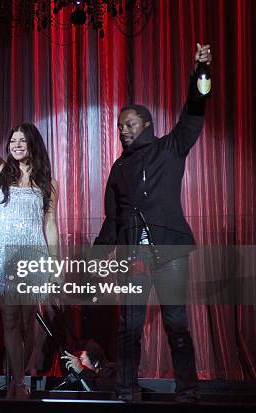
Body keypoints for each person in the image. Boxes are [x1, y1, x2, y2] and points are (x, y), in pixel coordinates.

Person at [93, 44, 212, 403]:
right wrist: (95, 256)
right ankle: (126, 389)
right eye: (119, 126)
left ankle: (188, 389)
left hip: (170, 248)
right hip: (133, 254)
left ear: (146, 124)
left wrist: (201, 74)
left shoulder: (170, 148)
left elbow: (195, 110)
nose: (123, 130)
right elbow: (112, 220)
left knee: (176, 323)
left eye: (129, 124)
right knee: (129, 325)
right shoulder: (118, 168)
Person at [0, 83, 59, 399]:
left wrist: (55, 266)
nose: (16, 144)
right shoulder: (0, 172)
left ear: (33, 144)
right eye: (13, 140)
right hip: (3, 256)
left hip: (33, 256)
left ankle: (19, 380)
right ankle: (17, 384)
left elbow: (51, 226)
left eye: (22, 139)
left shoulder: (48, 183)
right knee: (9, 319)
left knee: (28, 323)